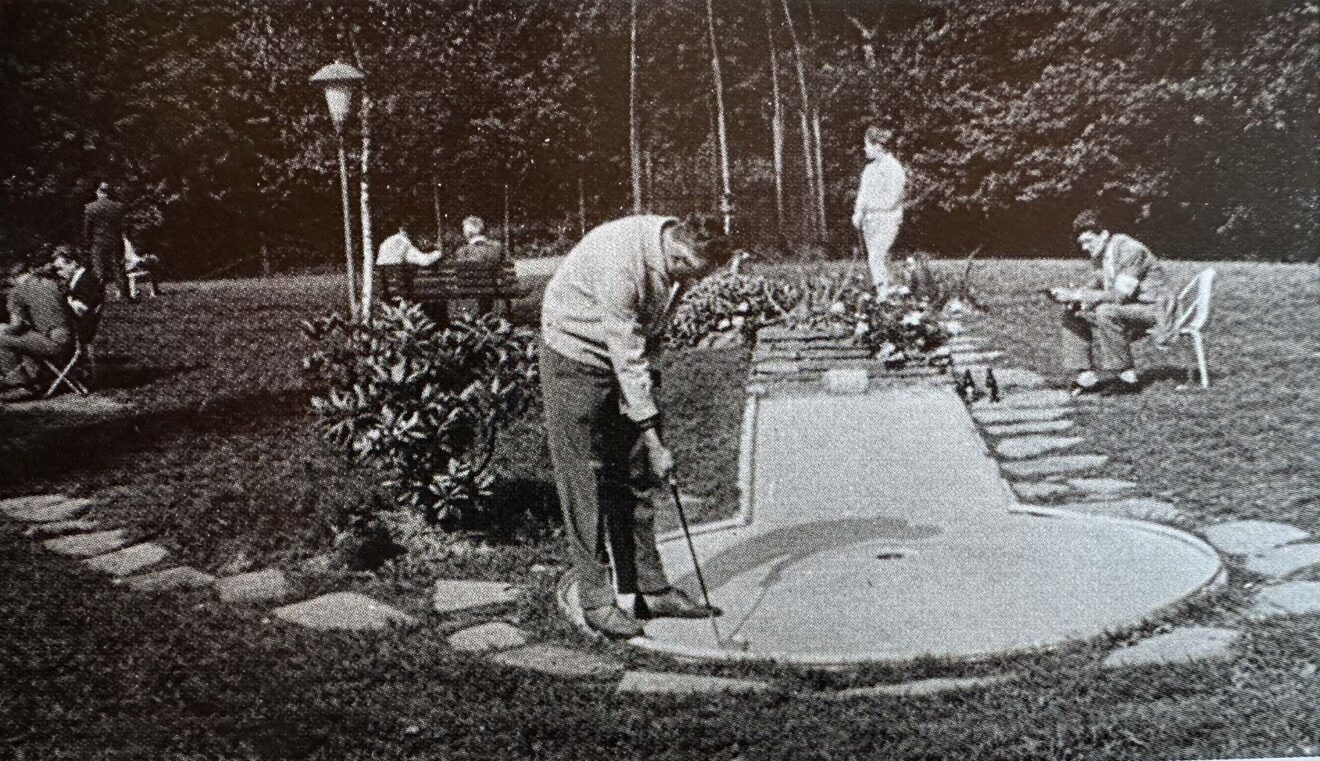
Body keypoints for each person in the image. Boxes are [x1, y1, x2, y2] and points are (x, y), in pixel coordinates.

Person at [541, 211, 733, 639]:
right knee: (584, 482)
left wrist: (649, 425)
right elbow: (624, 350)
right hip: (575, 356)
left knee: (635, 475)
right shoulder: (620, 262)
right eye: (690, 273)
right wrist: (653, 434)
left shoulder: (676, 262)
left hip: (622, 354)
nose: (691, 283)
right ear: (678, 252)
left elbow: (648, 340)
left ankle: (649, 589)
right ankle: (597, 600)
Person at [1048, 209, 1173, 395]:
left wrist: (1077, 295)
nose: (1084, 247)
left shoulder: (1131, 250)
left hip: (1154, 308)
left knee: (1106, 311)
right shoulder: (1101, 253)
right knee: (1073, 314)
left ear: (1104, 235)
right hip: (1131, 307)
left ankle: (1128, 379)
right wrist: (1077, 298)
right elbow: (1096, 284)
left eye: (1088, 241)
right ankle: (1086, 379)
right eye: (1081, 243)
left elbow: (1119, 296)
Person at [0, 257, 76, 393]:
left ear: (12, 279)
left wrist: (3, 328)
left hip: (54, 344)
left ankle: (20, 385)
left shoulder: (17, 292)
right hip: (72, 342)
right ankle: (38, 378)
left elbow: (16, 326)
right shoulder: (52, 283)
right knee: (26, 339)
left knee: (2, 340)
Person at [851, 125, 906, 293]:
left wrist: (868, 207)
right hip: (869, 222)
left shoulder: (894, 168)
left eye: (867, 145)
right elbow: (862, 194)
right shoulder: (868, 170)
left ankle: (884, 296)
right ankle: (891, 292)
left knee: (876, 257)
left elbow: (892, 200)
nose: (864, 148)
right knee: (877, 259)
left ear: (878, 146)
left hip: (888, 220)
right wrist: (858, 212)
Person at [83, 181, 129, 301]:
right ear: (109, 193)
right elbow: (121, 227)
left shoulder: (90, 208)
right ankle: (125, 295)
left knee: (99, 270)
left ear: (98, 192)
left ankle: (98, 296)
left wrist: (87, 243)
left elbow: (87, 229)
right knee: (117, 269)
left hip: (98, 242)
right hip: (114, 242)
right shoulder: (118, 207)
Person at [51, 245, 102, 346]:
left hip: (82, 326)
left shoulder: (85, 281)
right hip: (83, 323)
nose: (58, 273)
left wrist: (61, 303)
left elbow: (82, 309)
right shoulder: (81, 279)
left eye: (60, 268)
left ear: (74, 263)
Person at [376, 221, 441, 268]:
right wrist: (438, 253)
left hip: (382, 271)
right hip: (396, 272)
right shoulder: (405, 242)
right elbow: (424, 261)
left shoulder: (388, 240)